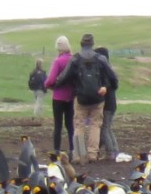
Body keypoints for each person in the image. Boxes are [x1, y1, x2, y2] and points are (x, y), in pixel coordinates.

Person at [52, 32, 116, 160]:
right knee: (95, 126)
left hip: (80, 97)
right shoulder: (100, 59)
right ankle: (92, 154)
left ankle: (79, 155)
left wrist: (57, 85)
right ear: (92, 44)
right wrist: (106, 87)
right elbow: (113, 77)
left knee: (79, 125)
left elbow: (63, 77)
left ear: (81, 44)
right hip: (98, 98)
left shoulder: (75, 59)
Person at [47, 34, 75, 153]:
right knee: (70, 125)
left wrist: (48, 86)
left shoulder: (58, 61)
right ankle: (73, 149)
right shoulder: (74, 59)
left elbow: (51, 80)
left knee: (58, 125)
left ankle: (57, 150)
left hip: (58, 97)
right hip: (71, 96)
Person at [98, 47, 123, 160]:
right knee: (108, 128)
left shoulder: (104, 72)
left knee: (104, 128)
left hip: (107, 104)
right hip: (112, 104)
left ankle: (110, 152)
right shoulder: (110, 70)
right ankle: (115, 150)